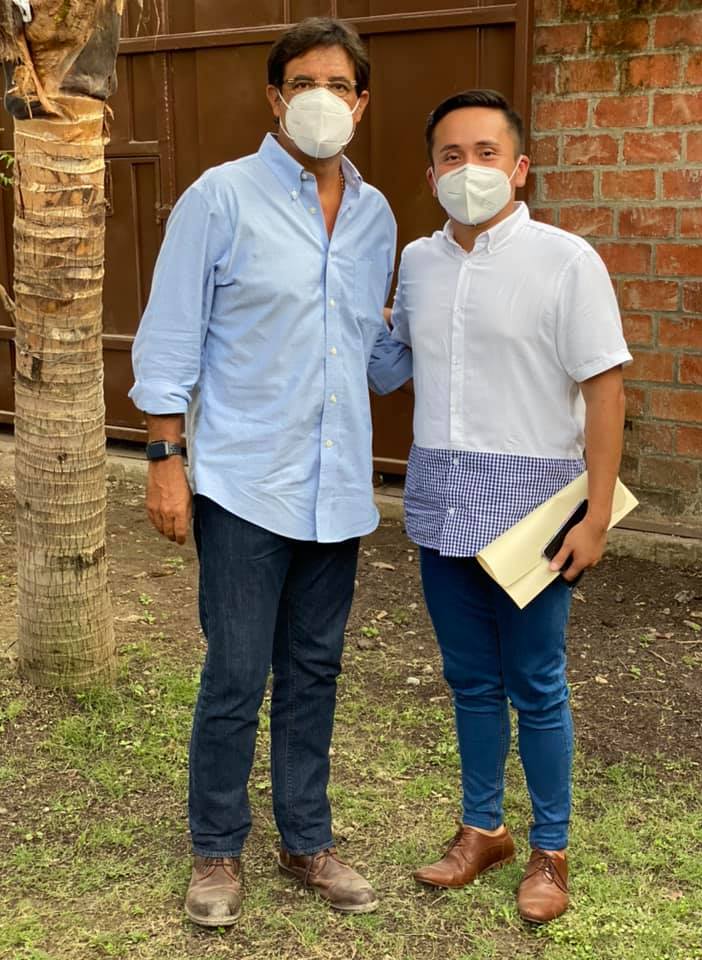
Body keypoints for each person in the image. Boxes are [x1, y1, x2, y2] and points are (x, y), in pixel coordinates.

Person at [129, 17, 410, 927]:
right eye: (303, 82)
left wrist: (451, 316)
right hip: (245, 482)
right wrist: (165, 458)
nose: (322, 98)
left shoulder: (375, 216)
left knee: (314, 669)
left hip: (337, 487)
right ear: (274, 97)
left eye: (340, 84)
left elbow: (372, 355)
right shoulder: (221, 198)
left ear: (362, 104)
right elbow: (171, 335)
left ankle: (305, 841)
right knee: (237, 674)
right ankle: (216, 850)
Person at [389, 89, 631, 923]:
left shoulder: (566, 261)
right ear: (432, 175)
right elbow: (395, 359)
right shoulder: (418, 263)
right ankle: (482, 829)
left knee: (537, 683)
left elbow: (605, 390)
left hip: (537, 509)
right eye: (451, 156)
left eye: (486, 153)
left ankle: (550, 850)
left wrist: (595, 515)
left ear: (520, 168)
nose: (470, 169)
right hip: (442, 500)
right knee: (469, 680)